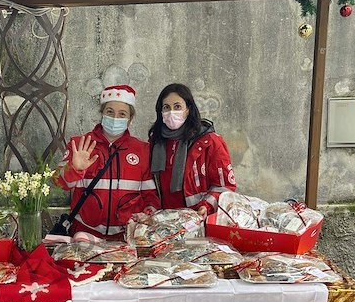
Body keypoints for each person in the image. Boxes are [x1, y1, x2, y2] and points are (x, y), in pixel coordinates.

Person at [54, 84, 160, 239]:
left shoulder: (142, 150)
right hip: (84, 233)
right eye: (110, 112)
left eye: (122, 114)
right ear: (102, 113)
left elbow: (150, 195)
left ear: (129, 119)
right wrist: (74, 169)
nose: (115, 118)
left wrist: (148, 214)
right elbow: (58, 182)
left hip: (126, 236)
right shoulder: (80, 144)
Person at [149, 83, 236, 219]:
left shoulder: (209, 142)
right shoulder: (155, 142)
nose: (171, 112)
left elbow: (225, 186)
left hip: (197, 221)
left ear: (188, 109)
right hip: (163, 222)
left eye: (177, 107)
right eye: (166, 107)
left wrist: (206, 206)